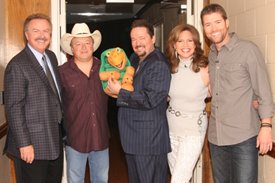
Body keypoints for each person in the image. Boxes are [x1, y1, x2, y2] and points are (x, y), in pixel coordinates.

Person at [200, 4, 274, 183]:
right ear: (203, 28)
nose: (213, 28)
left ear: (227, 23)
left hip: (243, 138)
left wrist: (266, 127)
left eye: (217, 22)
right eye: (208, 24)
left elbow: (263, 91)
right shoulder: (211, 55)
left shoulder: (248, 50)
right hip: (216, 139)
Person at [107, 19, 171, 183]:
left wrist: (120, 92)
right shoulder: (134, 59)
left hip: (148, 141)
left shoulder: (158, 63)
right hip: (133, 139)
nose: (137, 43)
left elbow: (150, 99)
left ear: (153, 38)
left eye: (142, 38)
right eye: (133, 39)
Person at [3, 13, 63, 183]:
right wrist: (24, 144)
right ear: (26, 34)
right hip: (32, 145)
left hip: (54, 141)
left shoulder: (51, 57)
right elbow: (14, 108)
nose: (42, 35)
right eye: (36, 31)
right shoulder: (17, 65)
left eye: (46, 31)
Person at [59, 23, 110, 183]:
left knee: (101, 180)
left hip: (100, 137)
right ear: (71, 49)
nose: (83, 47)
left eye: (87, 43)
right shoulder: (61, 72)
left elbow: (120, 93)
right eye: (78, 44)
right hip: (75, 139)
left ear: (93, 46)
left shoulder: (106, 69)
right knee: (75, 180)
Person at [165, 24, 209, 183]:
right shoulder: (169, 68)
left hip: (193, 131)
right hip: (170, 129)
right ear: (174, 45)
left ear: (196, 44)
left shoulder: (205, 69)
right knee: (177, 174)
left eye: (190, 41)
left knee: (178, 179)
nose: (185, 45)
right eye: (180, 41)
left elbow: (218, 95)